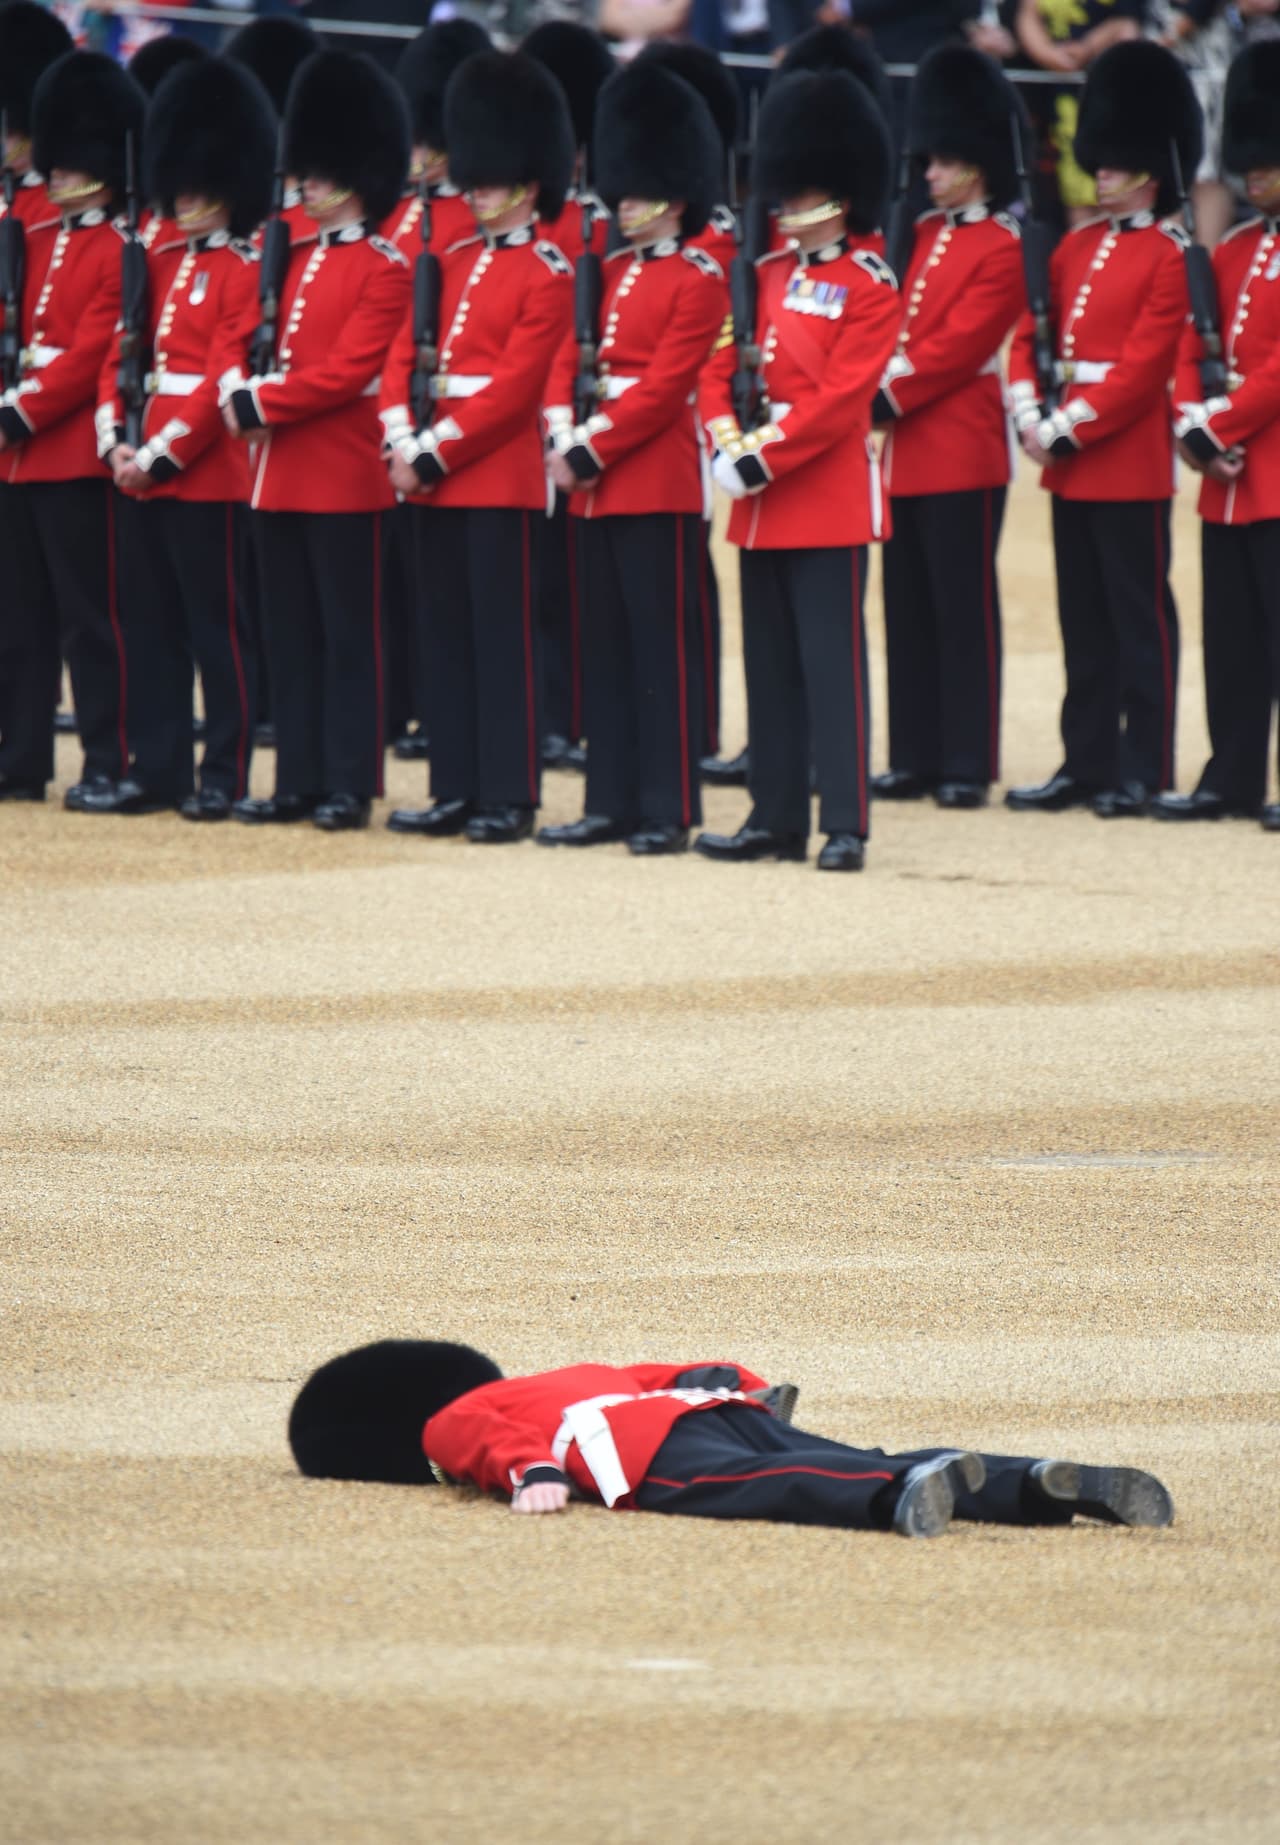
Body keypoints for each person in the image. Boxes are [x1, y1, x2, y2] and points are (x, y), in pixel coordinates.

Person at [287, 1340, 1176, 1541]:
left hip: (641, 1455)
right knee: (857, 1448)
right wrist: (743, 1386)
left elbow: (480, 1439)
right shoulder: (566, 1369)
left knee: (783, 1482)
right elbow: (664, 1368)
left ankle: (894, 1501)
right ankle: (1030, 1483)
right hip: (702, 1406)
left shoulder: (457, 1417)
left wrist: (536, 1477)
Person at [694, 68, 900, 873]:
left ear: (840, 196)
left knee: (831, 666)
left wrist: (756, 456)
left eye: (802, 190)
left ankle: (844, 822)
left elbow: (843, 402)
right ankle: (773, 818)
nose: (784, 204)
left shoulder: (869, 285)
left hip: (823, 499)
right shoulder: (766, 277)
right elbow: (717, 373)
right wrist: (723, 439)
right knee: (771, 665)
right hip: (758, 500)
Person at [378, 51, 575, 846]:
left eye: (490, 180)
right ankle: (455, 788)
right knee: (444, 641)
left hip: (494, 476)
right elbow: (401, 355)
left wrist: (430, 451)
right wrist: (400, 434)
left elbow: (513, 391)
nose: (477, 189)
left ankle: (509, 793)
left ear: (528, 184)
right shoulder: (449, 259)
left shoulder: (549, 271)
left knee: (501, 643)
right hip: (428, 468)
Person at [1005, 40, 1199, 819]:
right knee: (1081, 620)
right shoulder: (1076, 247)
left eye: (1114, 165)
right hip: (1067, 453)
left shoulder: (1172, 253)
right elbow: (1031, 335)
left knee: (1136, 616)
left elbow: (1144, 368)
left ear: (1149, 169)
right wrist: (1026, 410)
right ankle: (1085, 760)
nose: (1101, 173)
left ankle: (1143, 764)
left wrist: (1065, 426)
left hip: (1125, 457)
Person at [539, 59, 727, 856]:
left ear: (674, 198)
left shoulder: (699, 279)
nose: (624, 205)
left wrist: (587, 445)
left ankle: (668, 805)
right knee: (604, 651)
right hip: (590, 483)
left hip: (651, 481)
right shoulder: (607, 272)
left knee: (660, 653)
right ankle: (610, 799)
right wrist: (559, 429)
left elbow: (663, 389)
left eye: (639, 193)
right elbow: (564, 358)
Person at [224, 50, 412, 832]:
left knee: (347, 639)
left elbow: (345, 373)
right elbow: (243, 330)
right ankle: (297, 777)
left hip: (340, 475)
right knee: (289, 636)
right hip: (275, 472)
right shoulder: (287, 249)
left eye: (318, 172)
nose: (304, 184)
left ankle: (348, 781)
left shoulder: (386, 266)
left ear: (355, 175)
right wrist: (235, 381)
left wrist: (255, 398)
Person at [96, 56, 273, 820]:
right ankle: (157, 765)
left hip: (204, 471)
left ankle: (222, 771)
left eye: (205, 184)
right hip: (139, 458)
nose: (191, 196)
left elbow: (220, 375)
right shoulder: (158, 257)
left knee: (214, 627)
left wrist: (160, 453)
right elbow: (121, 352)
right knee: (150, 621)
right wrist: (114, 440)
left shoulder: (243, 265)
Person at [871, 44, 1028, 810]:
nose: (929, 173)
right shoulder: (923, 237)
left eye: (942, 162)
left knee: (962, 609)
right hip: (904, 452)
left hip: (960, 450)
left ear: (976, 164)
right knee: (906, 606)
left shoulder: (1003, 245)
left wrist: (884, 393)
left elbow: (956, 347)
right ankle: (916, 752)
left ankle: (967, 757)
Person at [0, 49, 145, 813]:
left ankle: (107, 756)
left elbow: (94, 345)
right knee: (17, 618)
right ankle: (20, 757)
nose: (51, 174)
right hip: (16, 458)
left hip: (67, 456)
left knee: (91, 619)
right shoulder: (36, 239)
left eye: (66, 162)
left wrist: (19, 411)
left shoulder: (119, 247)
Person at [1155, 39, 1280, 832]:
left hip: (1267, 467)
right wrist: (1196, 424)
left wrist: (1216, 426)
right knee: (1232, 639)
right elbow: (1194, 347)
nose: (1252, 175)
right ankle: (1230, 774)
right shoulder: (1233, 249)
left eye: (1264, 164)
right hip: (1226, 477)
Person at [523, 19, 617, 778]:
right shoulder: (548, 215)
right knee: (546, 575)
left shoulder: (606, 219)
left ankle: (587, 711)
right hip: (537, 418)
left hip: (595, 417)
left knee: (596, 580)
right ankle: (554, 713)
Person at [0, 0, 72, 802]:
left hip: (53, 438)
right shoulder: (14, 208)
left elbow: (88, 339)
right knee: (11, 608)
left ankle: (32, 752)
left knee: (71, 610)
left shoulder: (61, 216)